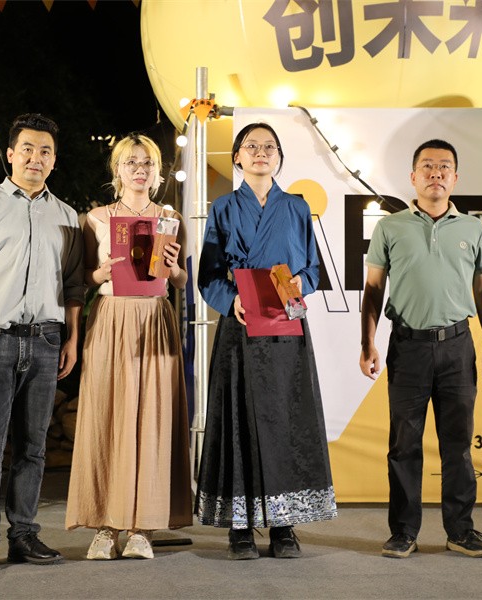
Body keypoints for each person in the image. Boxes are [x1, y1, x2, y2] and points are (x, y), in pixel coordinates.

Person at [0, 113, 85, 574]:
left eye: (45, 151)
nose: (35, 158)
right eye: (27, 149)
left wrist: (72, 339)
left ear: (54, 160)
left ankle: (23, 534)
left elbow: (73, 287)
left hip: (46, 341)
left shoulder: (66, 216)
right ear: (9, 154)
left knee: (33, 447)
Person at [195, 122, 337, 560]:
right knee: (238, 419)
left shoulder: (296, 207)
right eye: (251, 146)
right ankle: (239, 527)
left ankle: (283, 525)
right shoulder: (223, 207)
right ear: (237, 157)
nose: (261, 152)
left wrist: (299, 282)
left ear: (279, 157)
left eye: (269, 146)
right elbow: (208, 274)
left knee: (285, 421)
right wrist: (232, 299)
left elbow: (314, 268)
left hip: (285, 327)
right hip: (240, 327)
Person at [359, 139, 482, 559]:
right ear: (413, 176)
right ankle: (404, 531)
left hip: (458, 347)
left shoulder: (473, 228)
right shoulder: (390, 227)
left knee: (458, 444)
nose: (435, 173)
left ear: (455, 177)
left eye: (444, 167)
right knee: (404, 445)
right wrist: (367, 342)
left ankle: (460, 530)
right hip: (408, 348)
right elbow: (372, 289)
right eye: (427, 166)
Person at [65, 134, 192, 560]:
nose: (140, 169)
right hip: (111, 318)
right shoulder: (96, 218)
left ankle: (142, 528)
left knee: (152, 417)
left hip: (154, 319)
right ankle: (105, 526)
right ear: (117, 170)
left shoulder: (170, 219)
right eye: (131, 162)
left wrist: (174, 270)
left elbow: (181, 280)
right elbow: (81, 279)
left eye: (148, 163)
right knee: (106, 415)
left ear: (158, 173)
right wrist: (100, 274)